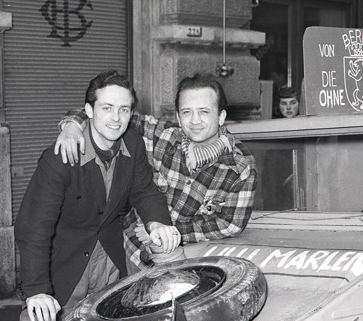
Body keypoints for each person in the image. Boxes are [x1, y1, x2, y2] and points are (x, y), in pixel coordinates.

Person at [15, 70, 180, 321]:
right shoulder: (61, 157)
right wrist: (36, 290)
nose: (116, 118)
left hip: (110, 260)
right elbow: (35, 226)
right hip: (64, 266)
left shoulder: (133, 143)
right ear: (89, 111)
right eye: (107, 108)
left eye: (124, 110)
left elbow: (144, 190)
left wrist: (157, 222)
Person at [55, 72, 257, 272]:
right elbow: (109, 114)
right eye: (187, 112)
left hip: (181, 263)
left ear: (221, 116)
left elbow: (231, 223)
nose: (195, 120)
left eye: (204, 112)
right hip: (129, 252)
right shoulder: (162, 135)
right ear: (178, 117)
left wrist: (169, 231)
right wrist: (72, 126)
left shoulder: (240, 166)